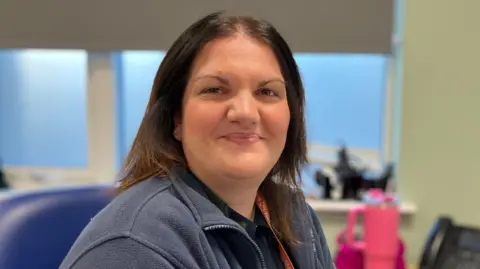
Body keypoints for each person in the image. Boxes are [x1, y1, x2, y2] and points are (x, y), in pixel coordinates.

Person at [61, 11, 335, 269]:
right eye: (214, 89)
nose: (245, 113)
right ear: (176, 119)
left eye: (267, 92)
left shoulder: (296, 217)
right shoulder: (134, 248)